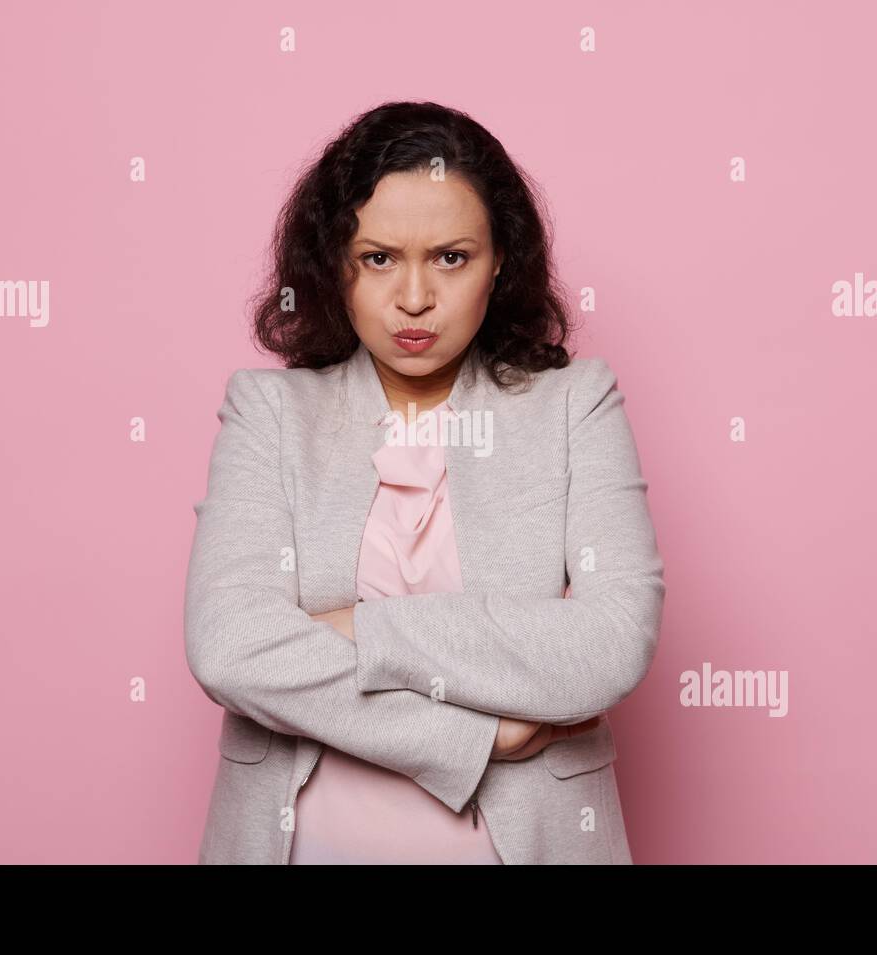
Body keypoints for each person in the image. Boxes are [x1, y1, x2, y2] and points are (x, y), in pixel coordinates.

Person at [185, 100, 666, 864]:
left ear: (501, 257)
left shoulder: (577, 404)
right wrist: (470, 734)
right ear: (333, 260)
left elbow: (608, 645)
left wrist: (356, 626)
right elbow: (229, 648)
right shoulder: (270, 412)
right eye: (378, 258)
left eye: (451, 257)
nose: (414, 298)